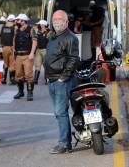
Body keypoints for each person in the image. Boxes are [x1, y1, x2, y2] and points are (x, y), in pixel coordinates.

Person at [45, 10, 79, 154]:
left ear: (66, 22)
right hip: (52, 79)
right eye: (54, 19)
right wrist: (48, 76)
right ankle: (66, 143)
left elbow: (73, 59)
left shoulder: (70, 38)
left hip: (62, 81)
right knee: (59, 113)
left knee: (60, 112)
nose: (56, 21)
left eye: (60, 19)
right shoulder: (53, 36)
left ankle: (64, 144)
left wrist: (62, 78)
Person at [13, 14, 37, 101]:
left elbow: (34, 41)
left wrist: (32, 53)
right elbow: (14, 41)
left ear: (23, 21)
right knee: (18, 75)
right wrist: (13, 52)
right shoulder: (16, 30)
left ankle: (30, 93)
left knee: (28, 75)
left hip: (27, 55)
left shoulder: (31, 29)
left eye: (18, 20)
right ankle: (20, 91)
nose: (17, 22)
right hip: (18, 55)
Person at [0, 14, 16, 85]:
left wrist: (2, 45)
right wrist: (14, 47)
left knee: (5, 63)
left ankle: (3, 78)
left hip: (4, 47)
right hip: (11, 47)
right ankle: (12, 79)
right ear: (13, 20)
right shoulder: (14, 27)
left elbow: (0, 36)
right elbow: (14, 38)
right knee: (12, 63)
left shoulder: (3, 27)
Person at [34, 19, 49, 85]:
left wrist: (45, 33)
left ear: (43, 25)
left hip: (46, 50)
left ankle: (47, 80)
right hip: (38, 50)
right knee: (37, 65)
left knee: (46, 65)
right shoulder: (37, 32)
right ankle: (35, 80)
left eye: (39, 25)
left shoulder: (48, 32)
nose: (38, 26)